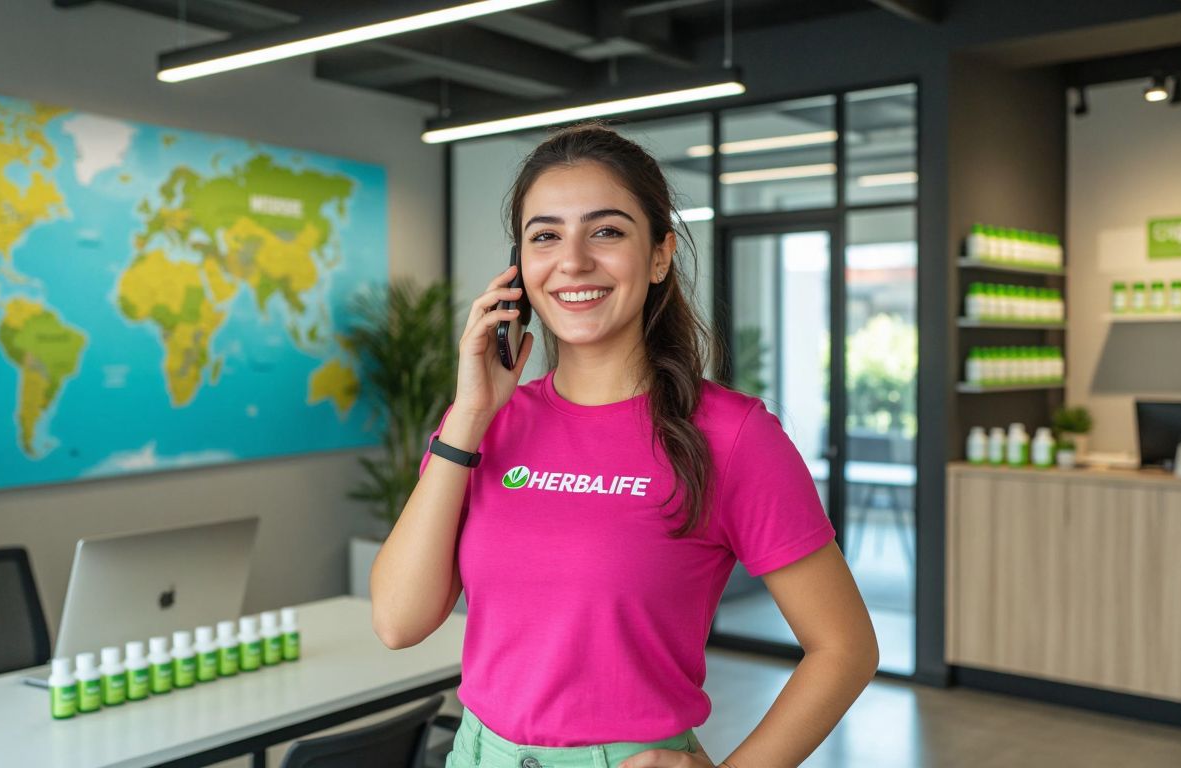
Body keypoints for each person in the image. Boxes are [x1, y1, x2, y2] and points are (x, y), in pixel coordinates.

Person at [371, 123, 878, 768]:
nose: (574, 261)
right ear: (520, 269)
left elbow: (844, 646)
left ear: (660, 255)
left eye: (606, 231)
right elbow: (398, 621)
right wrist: (469, 415)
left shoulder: (731, 435)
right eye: (545, 236)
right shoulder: (481, 426)